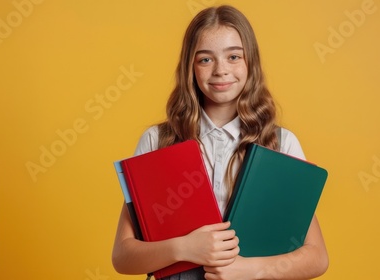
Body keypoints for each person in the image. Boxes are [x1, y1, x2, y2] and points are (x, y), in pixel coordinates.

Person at [112, 5, 328, 280]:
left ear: (251, 62)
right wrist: (183, 248)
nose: (220, 70)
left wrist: (247, 270)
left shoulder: (279, 143)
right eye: (205, 60)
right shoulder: (158, 140)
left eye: (234, 56)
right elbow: (123, 256)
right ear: (189, 66)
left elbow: (317, 257)